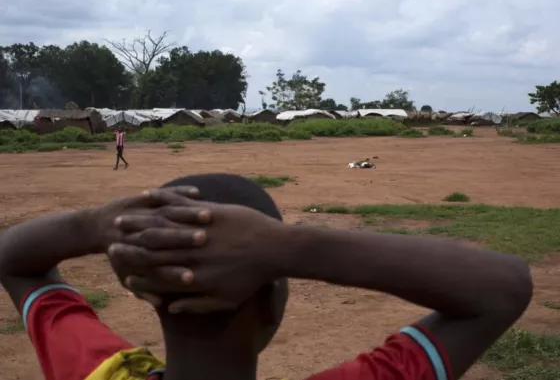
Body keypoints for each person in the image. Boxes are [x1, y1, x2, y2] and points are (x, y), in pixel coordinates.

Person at [0, 174, 533, 380]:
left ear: (144, 291)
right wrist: (290, 246)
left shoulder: (100, 371)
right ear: (274, 303)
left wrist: (99, 223)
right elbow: (502, 287)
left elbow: (12, 257)